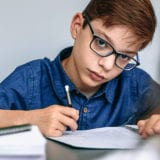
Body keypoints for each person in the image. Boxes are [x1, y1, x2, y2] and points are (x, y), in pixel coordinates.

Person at [0, 0, 160, 138]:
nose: (108, 65)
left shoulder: (136, 84)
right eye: (101, 43)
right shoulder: (31, 78)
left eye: (124, 56)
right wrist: (30, 119)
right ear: (77, 26)